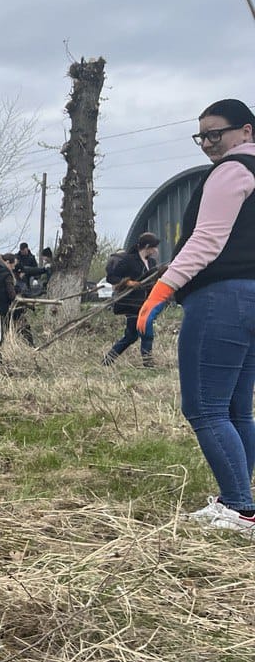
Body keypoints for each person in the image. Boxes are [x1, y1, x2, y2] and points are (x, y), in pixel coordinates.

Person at [137, 99, 255, 535]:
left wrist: (162, 291)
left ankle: (240, 507)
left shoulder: (232, 170)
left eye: (215, 133)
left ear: (246, 131)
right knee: (238, 409)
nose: (207, 144)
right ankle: (238, 500)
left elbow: (206, 241)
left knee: (205, 408)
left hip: (221, 299)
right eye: (201, 136)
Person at [101, 233, 160, 368]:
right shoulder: (129, 260)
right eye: (154, 247)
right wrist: (128, 282)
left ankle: (148, 362)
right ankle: (108, 360)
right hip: (131, 303)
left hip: (146, 303)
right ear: (147, 246)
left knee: (147, 331)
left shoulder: (151, 263)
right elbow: (112, 277)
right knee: (132, 336)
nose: (156, 250)